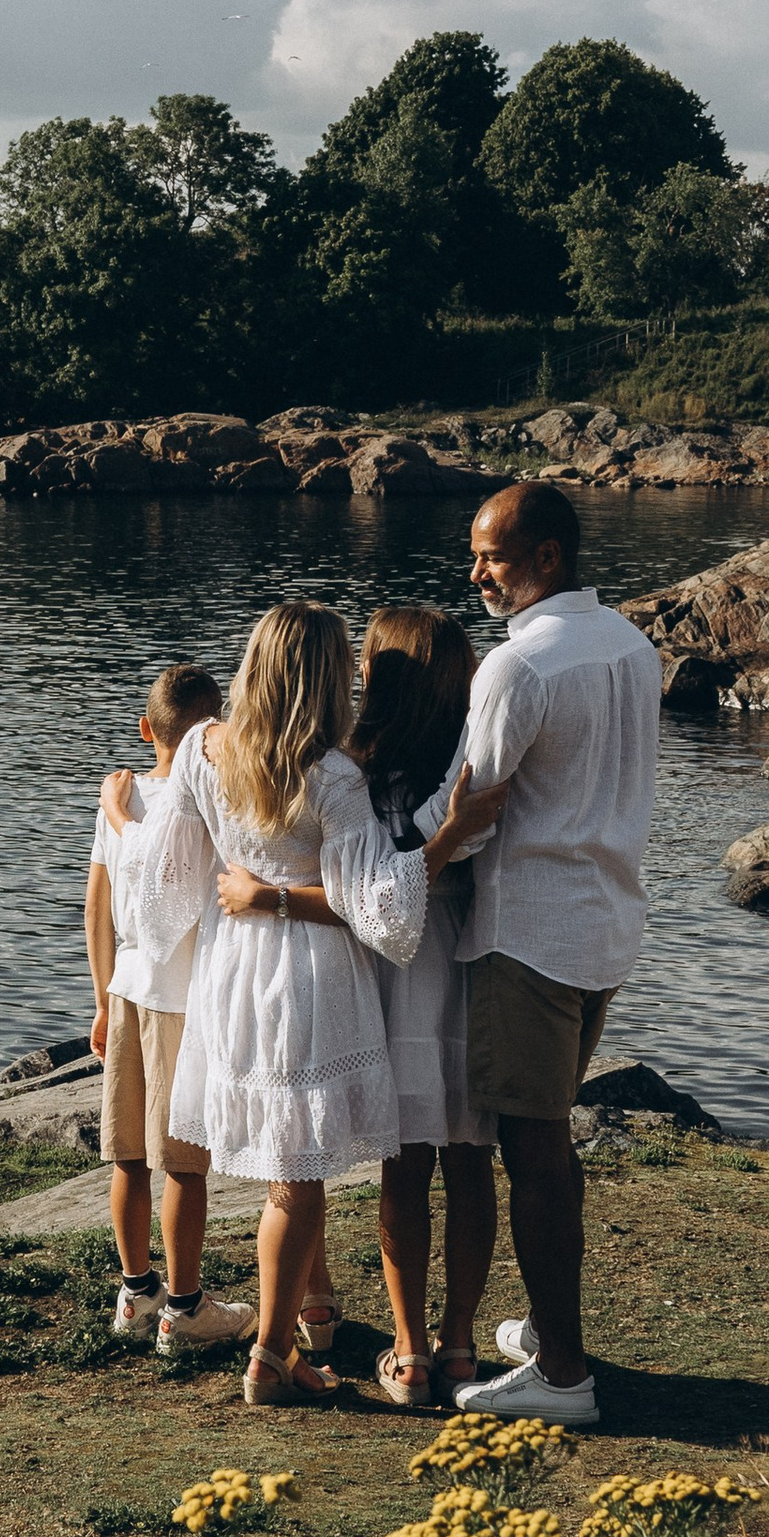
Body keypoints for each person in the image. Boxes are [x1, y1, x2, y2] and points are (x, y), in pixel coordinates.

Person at [113, 600, 501, 1410]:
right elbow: (381, 907)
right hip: (309, 979)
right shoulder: (334, 777)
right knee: (297, 1177)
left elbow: (169, 883)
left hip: (231, 973)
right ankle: (268, 1357)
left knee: (282, 1174)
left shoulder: (199, 750)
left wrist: (124, 824)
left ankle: (289, 1339)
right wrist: (447, 836)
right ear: (327, 676)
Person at [445, 480, 663, 1429]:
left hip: (527, 934)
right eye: (477, 554)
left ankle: (564, 1375)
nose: (478, 572)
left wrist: (378, 848)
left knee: (532, 1150)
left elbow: (472, 803)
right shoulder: (631, 645)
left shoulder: (519, 668)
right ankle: (546, 1327)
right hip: (607, 922)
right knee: (549, 1143)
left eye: (493, 555)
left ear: (548, 557)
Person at [345, 604, 499, 1412]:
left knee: (404, 1167)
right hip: (474, 962)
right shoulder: (476, 752)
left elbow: (368, 881)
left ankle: (406, 1353)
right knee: (472, 1158)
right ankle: (461, 1344)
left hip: (398, 971)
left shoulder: (359, 763)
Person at [84, 661, 252, 1358]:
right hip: (185, 1003)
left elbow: (98, 908)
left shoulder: (122, 798)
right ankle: (183, 1310)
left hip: (127, 990)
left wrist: (100, 999)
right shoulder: (219, 801)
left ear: (146, 727)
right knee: (183, 1162)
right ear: (216, 732)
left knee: (129, 1155)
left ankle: (135, 1291)